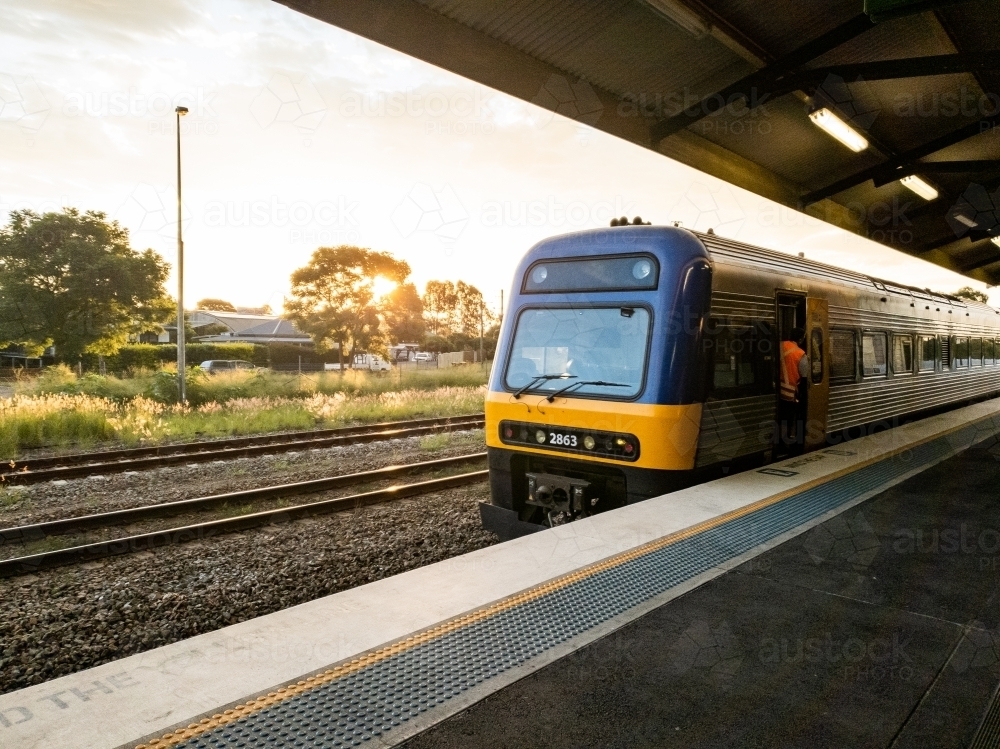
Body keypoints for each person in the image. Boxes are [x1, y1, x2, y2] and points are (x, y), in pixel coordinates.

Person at [778, 327, 810, 456]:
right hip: (789, 392)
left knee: (779, 419)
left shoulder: (780, 345)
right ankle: (784, 444)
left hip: (776, 389)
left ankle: (778, 441)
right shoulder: (800, 354)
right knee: (788, 419)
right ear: (801, 339)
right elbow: (804, 375)